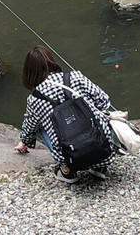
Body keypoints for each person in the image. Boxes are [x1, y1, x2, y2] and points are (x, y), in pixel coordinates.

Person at [14, 45, 117, 183]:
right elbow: (104, 101)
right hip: (102, 146)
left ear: (29, 72)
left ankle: (68, 171)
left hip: (71, 155)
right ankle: (100, 167)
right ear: (52, 61)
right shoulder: (76, 76)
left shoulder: (35, 98)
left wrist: (24, 142)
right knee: (97, 115)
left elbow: (29, 126)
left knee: (39, 123)